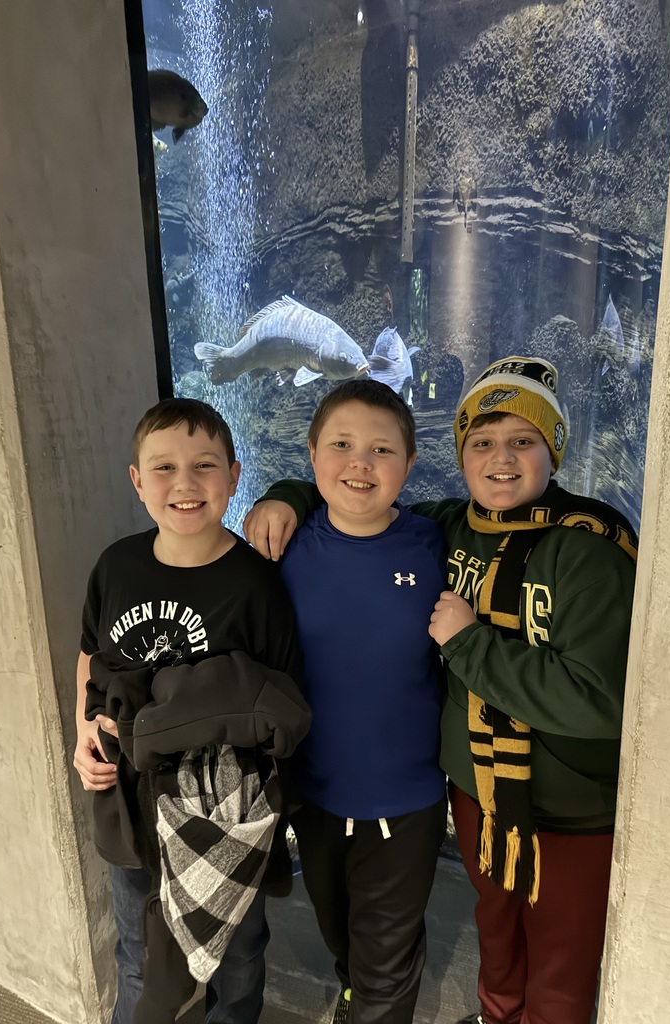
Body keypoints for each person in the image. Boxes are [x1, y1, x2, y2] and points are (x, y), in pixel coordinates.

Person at [243, 357, 638, 1024]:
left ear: (555, 448)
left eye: (523, 440)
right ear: (459, 456)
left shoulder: (590, 550)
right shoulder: (449, 527)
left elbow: (605, 702)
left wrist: (469, 643)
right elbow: (354, 493)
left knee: (560, 965)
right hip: (473, 791)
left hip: (565, 809)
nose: (500, 458)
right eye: (482, 442)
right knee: (497, 939)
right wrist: (285, 495)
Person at [73, 397, 310, 1024]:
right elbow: (90, 653)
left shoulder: (257, 583)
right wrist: (82, 731)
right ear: (136, 480)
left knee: (238, 954)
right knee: (139, 954)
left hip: (223, 807)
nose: (185, 483)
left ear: (234, 475)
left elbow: (284, 703)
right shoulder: (116, 566)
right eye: (164, 467)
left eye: (204, 465)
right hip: (128, 795)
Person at [263, 379, 448, 1024]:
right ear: (312, 455)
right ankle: (353, 990)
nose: (360, 463)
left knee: (386, 961)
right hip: (315, 794)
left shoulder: (437, 542)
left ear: (410, 463)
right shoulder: (281, 550)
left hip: (409, 798)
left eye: (382, 449)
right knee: (339, 932)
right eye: (341, 445)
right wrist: (283, 495)